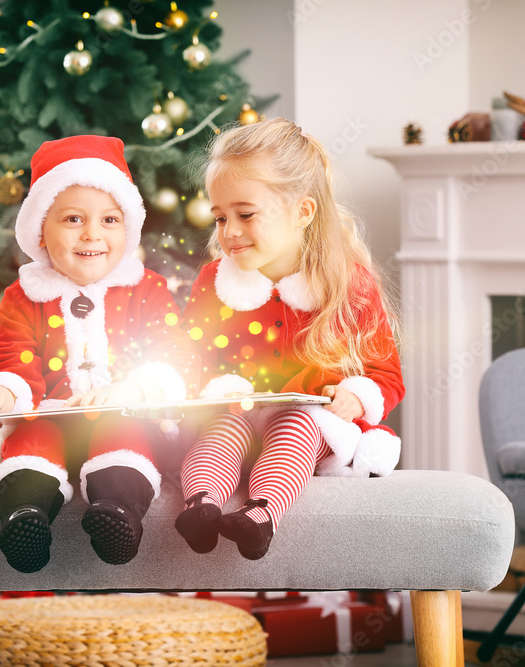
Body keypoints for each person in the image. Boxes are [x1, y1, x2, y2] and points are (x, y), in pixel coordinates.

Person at [0, 135, 193, 572]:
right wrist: (0, 394)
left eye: (109, 220)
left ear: (128, 227)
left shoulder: (147, 289)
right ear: (41, 230)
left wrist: (135, 386)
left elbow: (173, 352)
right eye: (72, 219)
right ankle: (25, 516)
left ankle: (117, 513)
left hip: (123, 416)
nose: (92, 234)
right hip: (50, 416)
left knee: (125, 442)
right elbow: (14, 361)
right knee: (29, 444)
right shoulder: (23, 296)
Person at [174, 118, 406, 560]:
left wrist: (357, 397)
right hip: (237, 417)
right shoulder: (215, 281)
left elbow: (385, 373)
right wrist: (212, 386)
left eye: (245, 214)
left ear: (303, 212)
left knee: (296, 425)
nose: (229, 231)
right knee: (220, 430)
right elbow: (188, 354)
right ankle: (201, 505)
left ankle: (261, 515)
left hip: (311, 424)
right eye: (220, 217)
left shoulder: (347, 285)